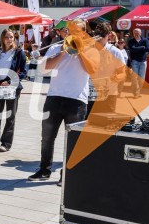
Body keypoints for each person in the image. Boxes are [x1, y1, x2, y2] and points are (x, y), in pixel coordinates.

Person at [27, 19, 98, 182]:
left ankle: (66, 174)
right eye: (70, 30)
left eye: (77, 31)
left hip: (76, 100)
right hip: (54, 97)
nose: (73, 33)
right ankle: (44, 170)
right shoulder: (55, 48)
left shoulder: (90, 49)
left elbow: (93, 70)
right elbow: (44, 69)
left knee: (72, 140)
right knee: (47, 137)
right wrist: (63, 52)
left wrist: (80, 51)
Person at [0, 29, 27, 152]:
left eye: (11, 37)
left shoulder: (19, 52)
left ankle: (5, 143)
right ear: (2, 39)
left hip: (12, 88)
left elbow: (23, 72)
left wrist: (9, 81)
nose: (9, 39)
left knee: (10, 116)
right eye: (6, 37)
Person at [87, 22, 126, 117]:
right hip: (90, 93)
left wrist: (114, 78)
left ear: (108, 35)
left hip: (109, 94)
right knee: (87, 122)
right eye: (97, 34)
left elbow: (123, 73)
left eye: (102, 35)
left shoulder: (116, 52)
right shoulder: (88, 50)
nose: (99, 37)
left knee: (105, 122)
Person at [126, 28, 149, 97]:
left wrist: (137, 49)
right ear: (133, 34)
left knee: (142, 78)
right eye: (135, 33)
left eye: (137, 33)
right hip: (134, 61)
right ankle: (135, 93)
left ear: (140, 33)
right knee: (134, 77)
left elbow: (148, 49)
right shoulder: (131, 41)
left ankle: (139, 91)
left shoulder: (145, 40)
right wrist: (142, 47)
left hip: (143, 61)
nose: (136, 34)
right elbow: (132, 49)